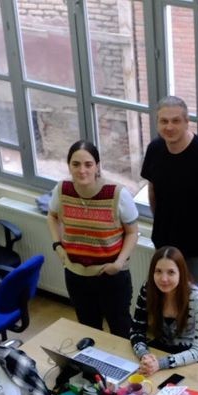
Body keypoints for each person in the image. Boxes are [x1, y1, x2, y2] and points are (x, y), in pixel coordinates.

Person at [47, 140, 138, 337]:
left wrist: (119, 263)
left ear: (97, 166)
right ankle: (95, 368)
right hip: (76, 275)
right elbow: (52, 216)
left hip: (112, 276)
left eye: (88, 164)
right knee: (89, 330)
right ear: (69, 166)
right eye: (76, 164)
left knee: (120, 329)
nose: (82, 170)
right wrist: (58, 246)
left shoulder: (117, 194)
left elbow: (132, 232)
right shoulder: (61, 190)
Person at [139, 96, 198, 286]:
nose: (169, 127)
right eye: (164, 121)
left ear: (187, 122)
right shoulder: (154, 149)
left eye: (176, 121)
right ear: (157, 123)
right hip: (164, 243)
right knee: (167, 300)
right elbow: (153, 190)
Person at [128, 247, 198, 375]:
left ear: (181, 273)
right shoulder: (148, 289)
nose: (163, 279)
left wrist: (161, 364)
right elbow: (136, 330)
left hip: (188, 359)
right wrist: (144, 355)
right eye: (158, 271)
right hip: (158, 354)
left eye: (171, 272)